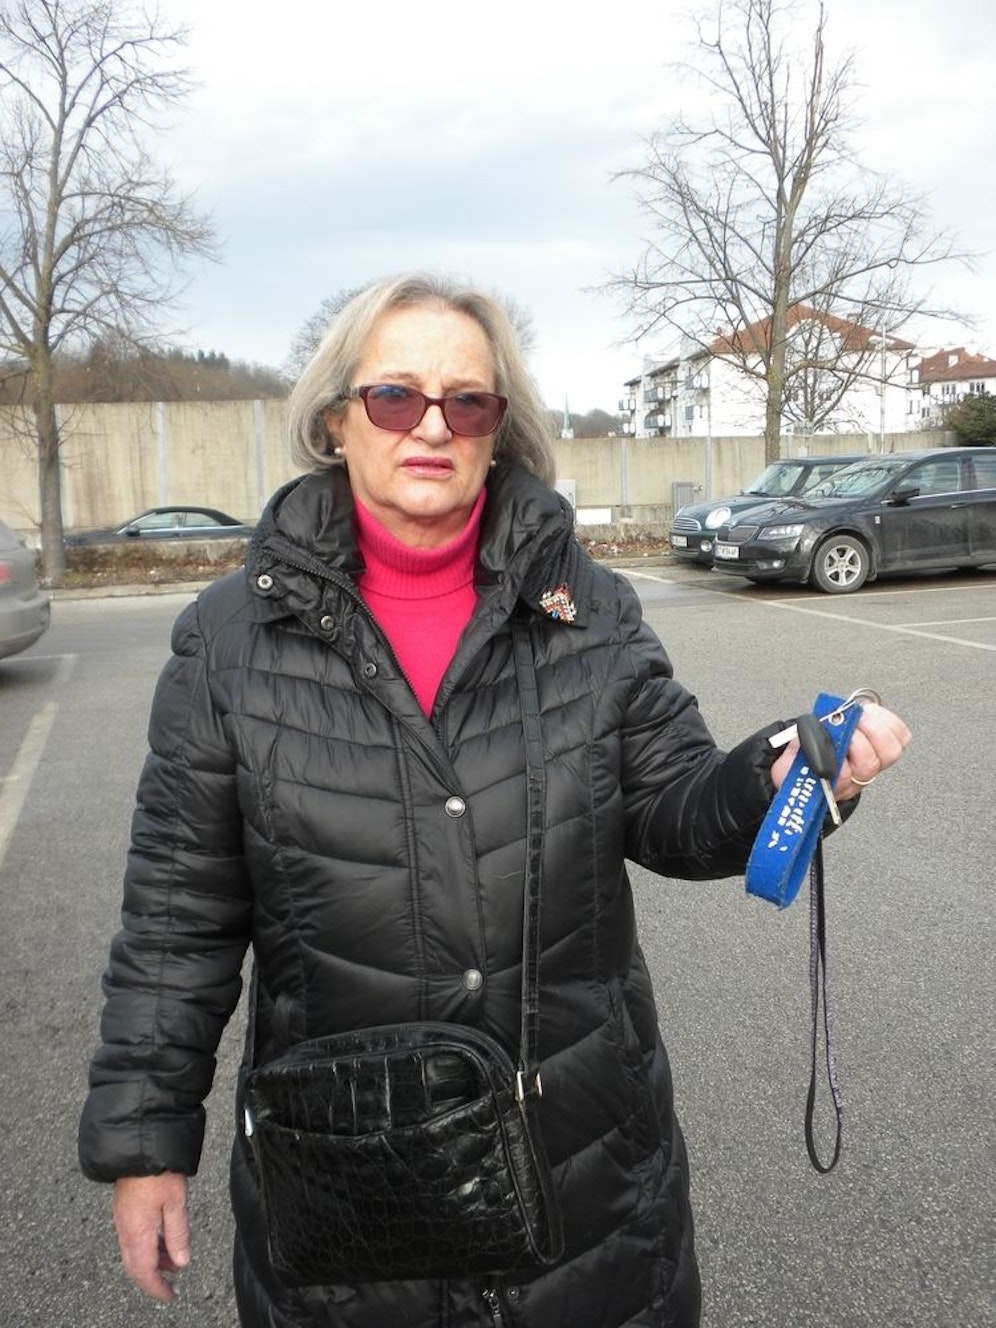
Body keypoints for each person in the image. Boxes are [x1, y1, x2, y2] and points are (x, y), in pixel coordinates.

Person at [78, 273, 911, 1328]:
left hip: (584, 1176)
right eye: (395, 396)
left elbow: (674, 806)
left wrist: (781, 776)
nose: (432, 426)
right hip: (349, 1188)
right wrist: (144, 1144)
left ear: (498, 429)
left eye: (466, 401)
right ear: (335, 419)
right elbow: (175, 921)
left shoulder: (588, 610)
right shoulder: (228, 641)